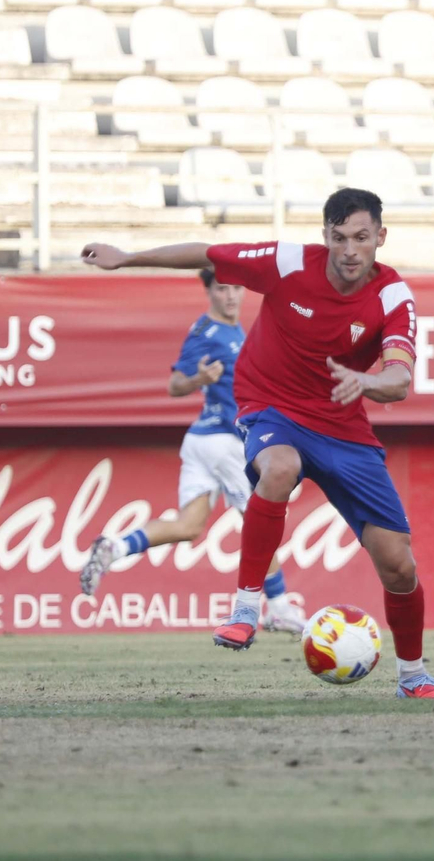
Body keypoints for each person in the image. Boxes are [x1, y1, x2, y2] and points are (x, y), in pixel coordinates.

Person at [81, 188, 434, 700]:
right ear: (325, 236)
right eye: (340, 237)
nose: (350, 249)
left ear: (380, 239)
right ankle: (245, 607)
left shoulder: (393, 296)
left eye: (362, 238)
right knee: (278, 468)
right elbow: (208, 254)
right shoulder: (286, 263)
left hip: (343, 425)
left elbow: (399, 377)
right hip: (270, 404)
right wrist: (129, 259)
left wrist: (366, 381)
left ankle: (413, 677)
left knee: (399, 564)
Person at [78, 270, 306, 634]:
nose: (230, 296)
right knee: (261, 520)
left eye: (235, 288)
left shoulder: (234, 331)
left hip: (201, 440)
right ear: (208, 291)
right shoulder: (206, 332)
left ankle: (115, 548)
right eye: (222, 289)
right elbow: (174, 385)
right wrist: (198, 379)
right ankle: (278, 607)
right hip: (223, 443)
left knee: (188, 526)